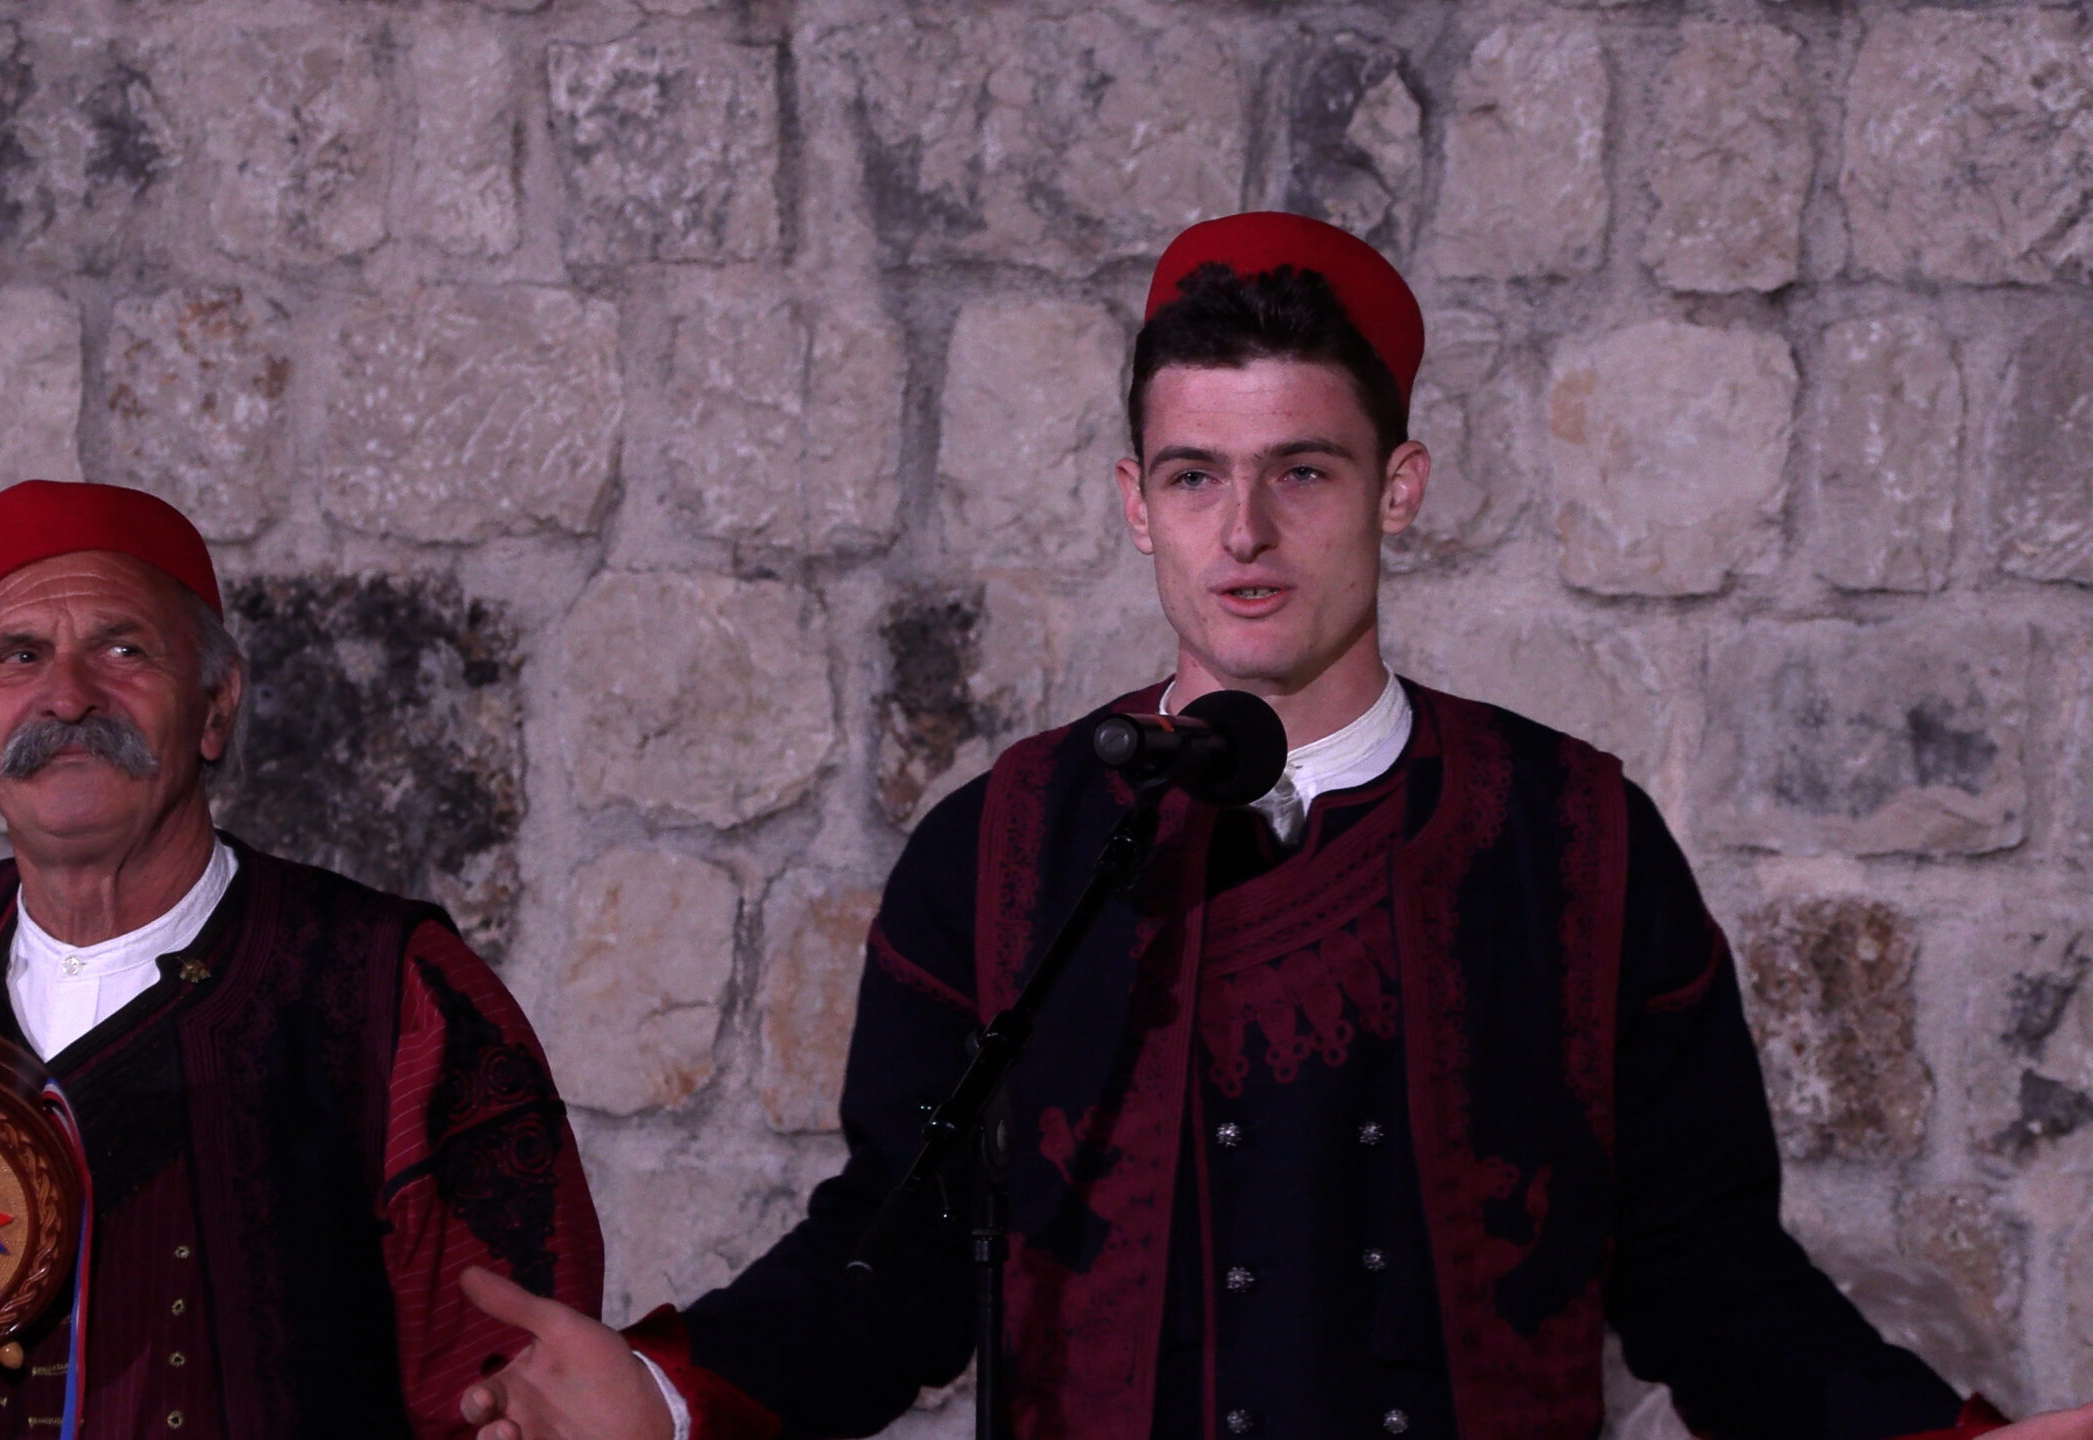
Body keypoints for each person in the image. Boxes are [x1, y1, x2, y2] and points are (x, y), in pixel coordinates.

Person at [452, 214, 2089, 1440]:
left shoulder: (1578, 842)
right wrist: (667, 1398)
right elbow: (898, 1260)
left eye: (1301, 472)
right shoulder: (1000, 851)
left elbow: (1710, 1278)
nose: (1242, 532)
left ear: (1400, 488)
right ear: (1133, 501)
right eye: (1193, 476)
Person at [0, 480, 603, 1439]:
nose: (68, 696)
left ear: (216, 706)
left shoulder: (393, 993)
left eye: (123, 649)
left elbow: (511, 1386)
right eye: (19, 656)